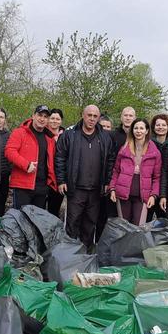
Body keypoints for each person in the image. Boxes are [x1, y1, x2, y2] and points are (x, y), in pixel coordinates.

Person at [55, 105, 116, 246]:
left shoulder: (105, 138)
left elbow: (111, 161)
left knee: (90, 225)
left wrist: (107, 181)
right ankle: (70, 254)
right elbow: (60, 158)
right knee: (72, 223)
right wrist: (61, 180)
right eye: (89, 115)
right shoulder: (70, 135)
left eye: (95, 116)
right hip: (75, 188)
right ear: (83, 115)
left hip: (96, 190)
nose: (92, 119)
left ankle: (86, 254)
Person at [109, 118, 161, 226]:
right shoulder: (124, 149)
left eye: (141, 128)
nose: (138, 131)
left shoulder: (154, 152)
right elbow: (116, 171)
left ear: (147, 131)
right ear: (132, 130)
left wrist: (153, 195)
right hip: (123, 195)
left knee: (138, 227)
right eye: (136, 128)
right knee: (124, 227)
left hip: (142, 197)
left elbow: (157, 177)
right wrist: (112, 188)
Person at [5, 105, 57, 209]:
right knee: (21, 220)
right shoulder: (20, 132)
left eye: (45, 116)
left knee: (37, 221)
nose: (42, 119)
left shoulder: (50, 138)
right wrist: (26, 164)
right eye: (39, 115)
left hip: (42, 187)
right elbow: (9, 151)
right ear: (33, 116)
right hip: (23, 186)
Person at [46, 108, 66, 217]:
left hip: (58, 178)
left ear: (61, 121)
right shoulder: (43, 133)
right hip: (44, 177)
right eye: (52, 118)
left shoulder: (66, 136)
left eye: (57, 119)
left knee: (54, 209)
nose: (54, 121)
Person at [0, 107, 11, 215]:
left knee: (0, 204)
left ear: (4, 120)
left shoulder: (9, 135)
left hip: (4, 175)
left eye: (1, 117)